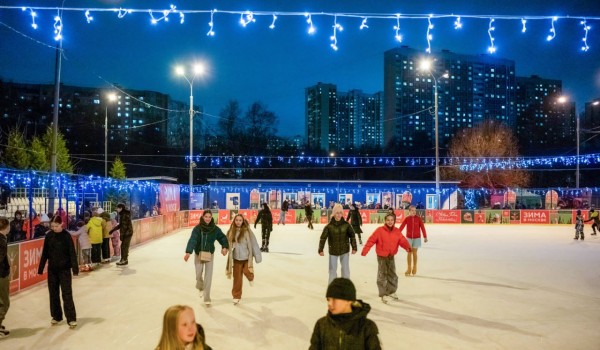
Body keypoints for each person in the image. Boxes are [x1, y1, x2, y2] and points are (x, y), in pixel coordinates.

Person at [309, 278, 381, 350]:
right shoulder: (321, 325)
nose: (330, 303)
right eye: (328, 299)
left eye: (334, 299)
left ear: (349, 300)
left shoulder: (367, 327)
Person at [37, 215, 79, 328]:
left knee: (67, 294)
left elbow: (72, 253)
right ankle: (57, 316)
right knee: (53, 293)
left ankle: (71, 318)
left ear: (61, 224)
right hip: (52, 270)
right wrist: (40, 268)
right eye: (52, 226)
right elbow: (45, 252)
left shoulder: (66, 236)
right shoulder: (49, 236)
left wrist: (75, 269)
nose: (54, 228)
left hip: (65, 270)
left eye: (56, 226)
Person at [361, 213, 411, 303]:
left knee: (392, 274)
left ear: (394, 221)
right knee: (382, 274)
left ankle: (391, 291)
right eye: (388, 220)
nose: (390, 222)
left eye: (392, 220)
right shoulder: (379, 230)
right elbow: (371, 240)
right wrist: (365, 250)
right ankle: (383, 293)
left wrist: (407, 247)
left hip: (391, 256)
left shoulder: (397, 231)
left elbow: (402, 240)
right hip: (381, 256)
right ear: (385, 221)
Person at [184, 210, 229, 306]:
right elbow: (193, 239)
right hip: (198, 254)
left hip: (209, 255)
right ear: (203, 217)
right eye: (206, 216)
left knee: (208, 276)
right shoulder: (197, 228)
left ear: (211, 217)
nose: (208, 218)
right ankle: (200, 287)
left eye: (209, 217)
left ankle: (207, 297)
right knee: (198, 274)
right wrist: (188, 252)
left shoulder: (215, 229)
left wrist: (224, 247)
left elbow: (222, 238)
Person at [225, 214, 262, 305]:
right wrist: (225, 248)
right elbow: (226, 242)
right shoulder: (231, 231)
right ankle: (236, 296)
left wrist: (257, 256)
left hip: (246, 258)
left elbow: (253, 244)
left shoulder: (247, 231)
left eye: (240, 220)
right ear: (234, 221)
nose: (238, 222)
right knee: (237, 279)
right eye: (236, 220)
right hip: (236, 258)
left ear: (243, 221)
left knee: (247, 271)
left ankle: (251, 278)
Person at [318, 204, 357, 285]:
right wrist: (320, 249)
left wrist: (354, 247)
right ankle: (332, 290)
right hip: (333, 250)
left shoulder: (346, 225)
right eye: (337, 213)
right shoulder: (329, 226)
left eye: (340, 213)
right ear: (333, 213)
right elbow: (323, 238)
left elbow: (352, 235)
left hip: (344, 250)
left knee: (345, 270)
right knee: (332, 270)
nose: (339, 215)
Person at [398, 205, 428, 276]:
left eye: (415, 210)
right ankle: (408, 268)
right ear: (409, 211)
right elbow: (401, 227)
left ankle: (414, 267)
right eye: (412, 210)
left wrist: (425, 236)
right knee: (409, 252)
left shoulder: (418, 219)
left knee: (414, 253)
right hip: (408, 238)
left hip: (417, 238)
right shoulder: (407, 219)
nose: (414, 212)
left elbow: (423, 228)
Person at [0, 218, 11, 338]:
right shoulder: (1, 241)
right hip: (1, 275)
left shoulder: (3, 239)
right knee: (4, 303)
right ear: (7, 227)